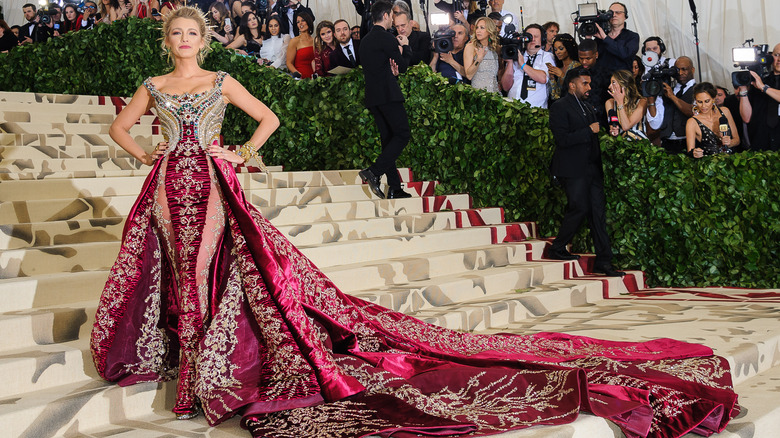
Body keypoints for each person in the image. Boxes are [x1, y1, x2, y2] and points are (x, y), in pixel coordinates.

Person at [91, 9, 740, 437]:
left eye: (191, 34)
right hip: (162, 184)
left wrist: (241, 151)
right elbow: (121, 126)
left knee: (203, 269)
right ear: (166, 40)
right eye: (176, 34)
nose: (184, 42)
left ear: (202, 39)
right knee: (176, 270)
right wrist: (147, 150)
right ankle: (190, 370)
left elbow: (269, 120)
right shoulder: (153, 82)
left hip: (209, 180)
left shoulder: (220, 78)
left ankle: (203, 380)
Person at [548, 67, 623, 277]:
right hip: (572, 168)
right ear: (572, 85)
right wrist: (588, 131)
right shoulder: (560, 107)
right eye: (585, 83)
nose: (589, 87)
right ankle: (558, 247)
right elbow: (562, 140)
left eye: (589, 83)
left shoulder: (588, 107)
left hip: (592, 168)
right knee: (579, 207)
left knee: (598, 214)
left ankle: (604, 261)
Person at [358, 1, 412, 199]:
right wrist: (405, 47)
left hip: (373, 97)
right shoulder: (388, 38)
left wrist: (392, 72)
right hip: (389, 95)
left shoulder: (364, 41)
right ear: (387, 15)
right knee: (402, 134)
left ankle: (395, 188)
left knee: (388, 140)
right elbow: (404, 65)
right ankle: (373, 171)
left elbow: (380, 68)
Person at [646, 56, 696, 153]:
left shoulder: (698, 90)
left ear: (692, 70)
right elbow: (655, 122)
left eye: (684, 69)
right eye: (677, 70)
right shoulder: (667, 90)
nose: (680, 73)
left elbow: (693, 112)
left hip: (688, 141)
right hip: (667, 142)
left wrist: (672, 97)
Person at [738, 43, 780, 151]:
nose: (779, 59)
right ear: (770, 57)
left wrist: (764, 88)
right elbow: (746, 118)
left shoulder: (761, 85)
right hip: (760, 144)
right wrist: (743, 90)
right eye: (776, 55)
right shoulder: (760, 82)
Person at [503, 24, 555, 108]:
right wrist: (510, 63)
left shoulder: (547, 56)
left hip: (537, 111)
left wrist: (523, 65)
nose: (532, 39)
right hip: (513, 108)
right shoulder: (517, 56)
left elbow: (543, 78)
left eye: (536, 36)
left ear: (542, 39)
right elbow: (505, 87)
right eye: (529, 36)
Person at [686, 82, 740, 157]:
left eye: (707, 101)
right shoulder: (692, 122)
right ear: (695, 101)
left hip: (731, 163)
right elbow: (690, 151)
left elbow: (737, 140)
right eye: (699, 102)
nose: (703, 106)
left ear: (713, 99)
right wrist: (695, 153)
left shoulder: (725, 111)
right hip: (709, 165)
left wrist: (730, 142)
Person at [592, 2, 639, 75]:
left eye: (618, 12)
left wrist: (605, 38)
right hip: (600, 81)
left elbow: (625, 54)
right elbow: (590, 57)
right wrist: (588, 39)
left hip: (621, 82)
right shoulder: (599, 37)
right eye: (610, 13)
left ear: (625, 16)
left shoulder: (632, 36)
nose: (614, 15)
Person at [606, 69, 648, 140]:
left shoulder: (642, 102)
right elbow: (613, 124)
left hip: (640, 144)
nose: (609, 87)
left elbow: (626, 126)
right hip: (621, 144)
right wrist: (613, 130)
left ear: (624, 85)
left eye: (613, 82)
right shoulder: (610, 103)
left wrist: (620, 102)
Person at [464, 16, 500, 93]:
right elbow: (469, 75)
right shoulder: (470, 47)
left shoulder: (494, 48)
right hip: (479, 95)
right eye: (477, 28)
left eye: (482, 28)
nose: (478, 31)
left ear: (489, 30)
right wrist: (479, 59)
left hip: (495, 94)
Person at [547, 33, 580, 102]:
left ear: (569, 48)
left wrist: (562, 76)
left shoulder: (576, 66)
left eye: (561, 49)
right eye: (555, 49)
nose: (557, 52)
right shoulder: (559, 67)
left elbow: (576, 91)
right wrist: (552, 78)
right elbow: (555, 96)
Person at [285, 11, 315, 78]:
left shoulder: (315, 40)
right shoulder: (294, 41)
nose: (300, 23)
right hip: (301, 80)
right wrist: (297, 73)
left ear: (308, 21)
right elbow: (289, 63)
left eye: (303, 20)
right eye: (298, 22)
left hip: (316, 79)